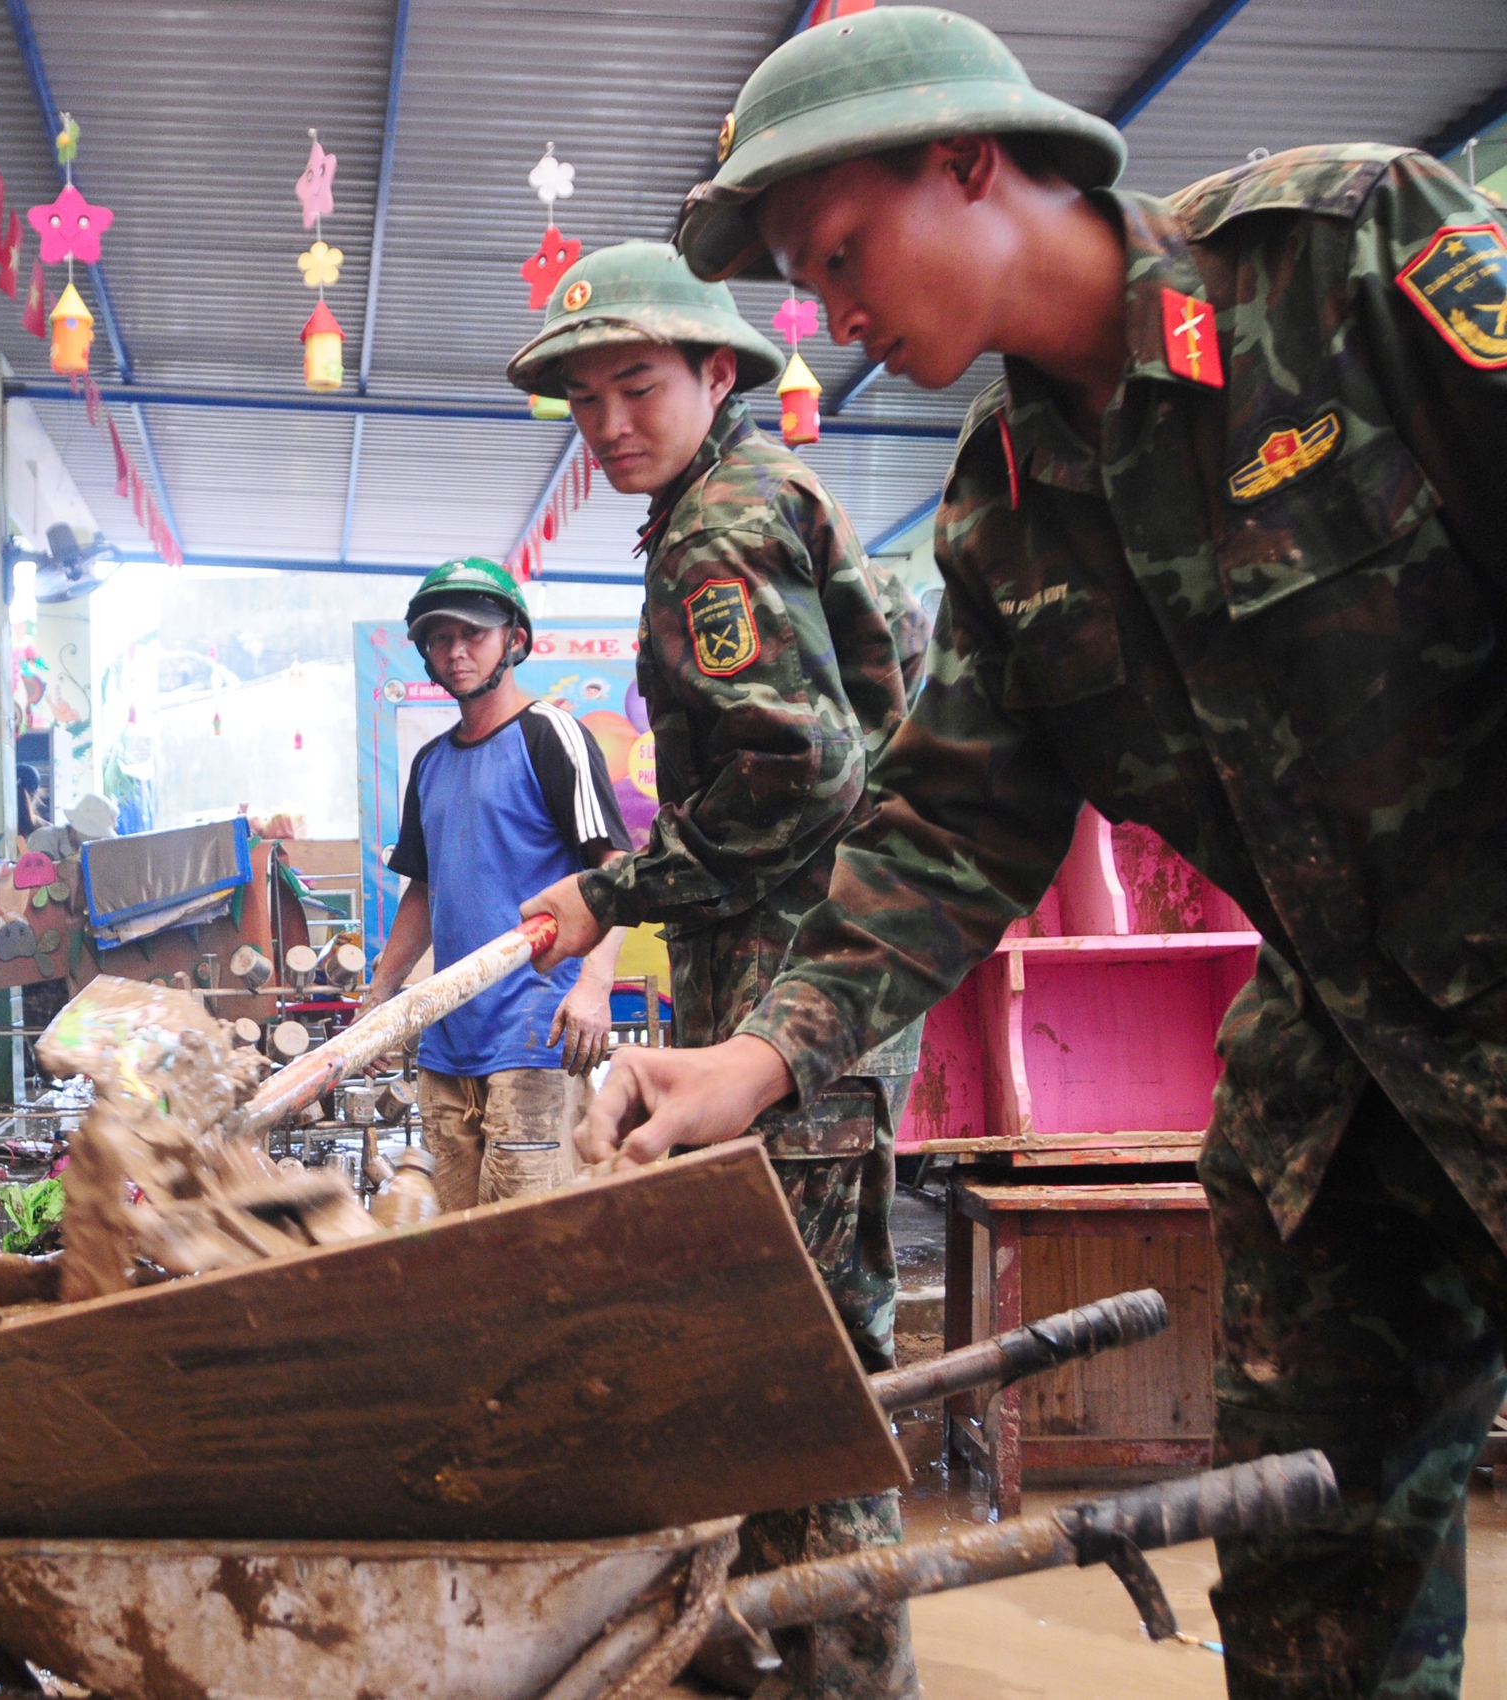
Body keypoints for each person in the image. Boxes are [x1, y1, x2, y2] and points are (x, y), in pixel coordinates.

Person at [558, 8, 1507, 1696]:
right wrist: (762, 1056)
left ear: (973, 161)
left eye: (844, 254)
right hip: (1343, 1100)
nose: (830, 321)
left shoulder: (1352, 260)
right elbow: (954, 820)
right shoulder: (1008, 500)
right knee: (1315, 1615)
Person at [508, 239, 923, 1700]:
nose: (610, 422)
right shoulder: (749, 498)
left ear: (719, 370)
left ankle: (830, 1672)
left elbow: (796, 777)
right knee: (813, 1355)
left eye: (638, 386)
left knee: (790, 1366)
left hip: (789, 992)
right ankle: (800, 1664)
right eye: (584, 399)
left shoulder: (716, 530)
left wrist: (614, 886)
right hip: (812, 990)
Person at [361, 559, 630, 1208]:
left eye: (474, 634)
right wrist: (379, 996)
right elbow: (423, 892)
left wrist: (595, 987)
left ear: (514, 638)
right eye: (441, 638)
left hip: (535, 1035)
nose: (457, 652)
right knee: (454, 1237)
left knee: (530, 1236)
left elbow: (616, 874)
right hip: (448, 1044)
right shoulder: (429, 763)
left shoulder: (551, 737)